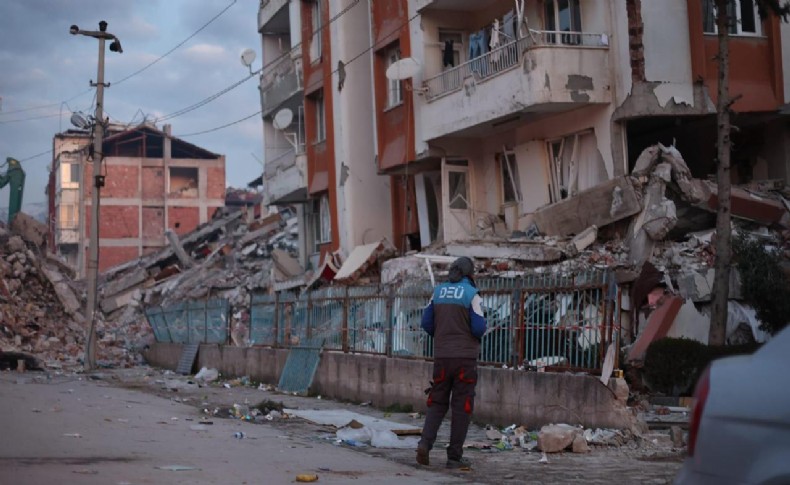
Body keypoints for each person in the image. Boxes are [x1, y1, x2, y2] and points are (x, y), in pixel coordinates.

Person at [416, 256, 487, 469]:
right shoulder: (472, 294)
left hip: (442, 357)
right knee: (461, 407)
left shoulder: (437, 293)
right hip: (465, 359)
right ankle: (454, 456)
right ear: (470, 274)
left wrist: (441, 336)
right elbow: (479, 328)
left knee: (437, 402)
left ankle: (425, 444)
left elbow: (426, 323)